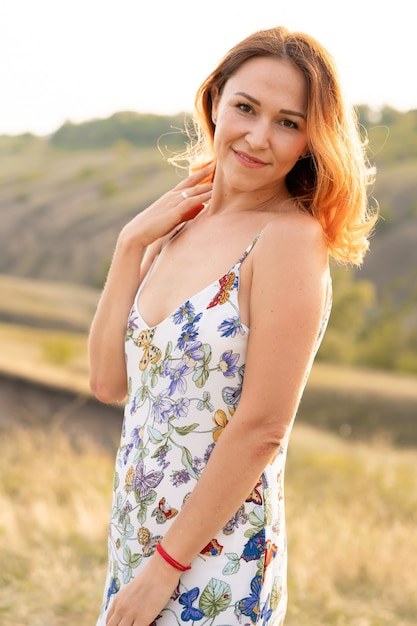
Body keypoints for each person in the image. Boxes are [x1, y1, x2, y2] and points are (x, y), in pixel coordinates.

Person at [89, 25, 377, 626]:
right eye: (245, 108)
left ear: (310, 141)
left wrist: (166, 568)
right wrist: (128, 245)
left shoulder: (290, 241)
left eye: (288, 122)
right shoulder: (176, 224)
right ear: (215, 100)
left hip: (212, 565)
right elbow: (108, 383)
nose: (257, 136)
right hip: (137, 541)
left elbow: (264, 427)